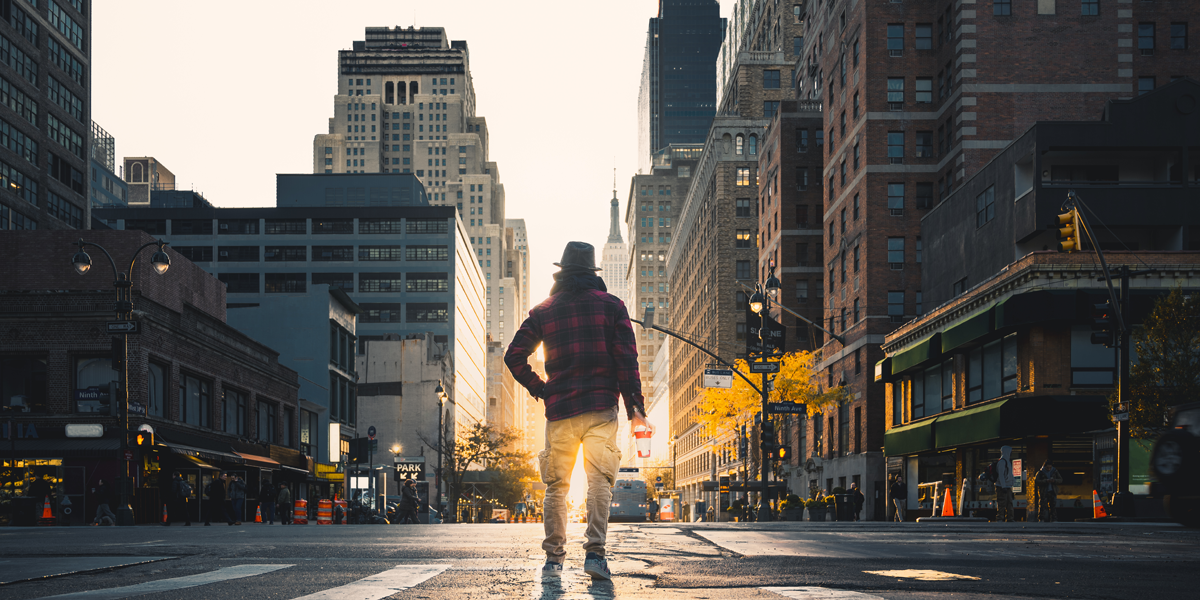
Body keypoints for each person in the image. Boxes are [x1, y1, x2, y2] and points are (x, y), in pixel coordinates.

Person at [505, 241, 651, 581]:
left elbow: (514, 355)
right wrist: (636, 410)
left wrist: (540, 388)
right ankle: (595, 556)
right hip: (601, 408)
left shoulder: (544, 310)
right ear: (592, 273)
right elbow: (627, 361)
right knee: (599, 480)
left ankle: (553, 559)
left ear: (562, 272)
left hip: (560, 410)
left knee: (557, 485)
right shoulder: (612, 306)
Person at [995, 446, 1015, 522]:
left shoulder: (1007, 462)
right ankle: (1000, 518)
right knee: (1002, 503)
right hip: (1001, 486)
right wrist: (1003, 486)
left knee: (1009, 503)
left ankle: (1010, 518)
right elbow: (1001, 475)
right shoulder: (1002, 462)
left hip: (1007, 486)